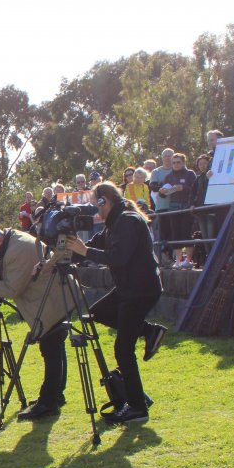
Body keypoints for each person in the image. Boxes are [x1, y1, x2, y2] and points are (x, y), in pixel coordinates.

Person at [65, 182, 167, 424]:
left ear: (104, 201)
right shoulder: (115, 223)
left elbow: (118, 258)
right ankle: (150, 331)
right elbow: (96, 245)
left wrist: (85, 251)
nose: (95, 210)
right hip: (128, 288)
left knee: (123, 349)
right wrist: (68, 248)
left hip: (139, 290)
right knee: (97, 312)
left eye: (95, 204)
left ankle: (137, 408)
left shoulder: (128, 221)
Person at [0, 224, 69, 419]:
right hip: (51, 298)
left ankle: (48, 402)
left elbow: (13, 288)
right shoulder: (12, 241)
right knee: (55, 348)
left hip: (50, 300)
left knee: (51, 349)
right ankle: (55, 395)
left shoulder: (17, 249)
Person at [162, 153, 197, 268]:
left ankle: (188, 260)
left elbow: (196, 189)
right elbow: (163, 194)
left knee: (186, 232)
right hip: (173, 206)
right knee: (175, 233)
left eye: (178, 162)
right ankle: (178, 260)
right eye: (174, 162)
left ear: (183, 163)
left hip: (187, 205)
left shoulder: (190, 174)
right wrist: (162, 191)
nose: (176, 165)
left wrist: (184, 188)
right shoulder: (168, 176)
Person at [192, 154, 216, 244]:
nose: (202, 166)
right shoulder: (197, 179)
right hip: (201, 210)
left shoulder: (213, 175)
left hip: (210, 210)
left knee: (211, 235)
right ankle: (208, 255)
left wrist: (208, 178)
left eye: (205, 163)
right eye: (200, 164)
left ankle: (214, 255)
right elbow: (193, 193)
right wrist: (192, 204)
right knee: (205, 236)